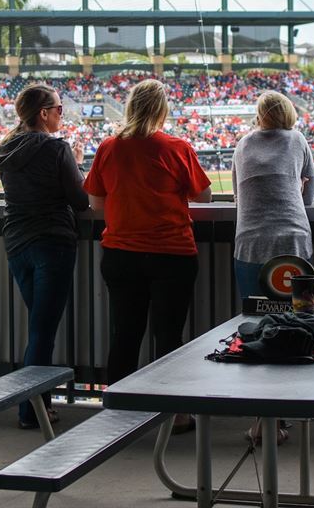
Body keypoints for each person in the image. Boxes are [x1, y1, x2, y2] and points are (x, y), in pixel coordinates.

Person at [85, 79, 211, 434]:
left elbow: (96, 201)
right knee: (168, 335)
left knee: (125, 333)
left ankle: (119, 411)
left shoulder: (109, 147)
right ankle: (175, 414)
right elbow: (204, 197)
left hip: (121, 253)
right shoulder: (176, 146)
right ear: (161, 109)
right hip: (171, 253)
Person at [0, 84, 89, 430]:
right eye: (59, 109)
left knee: (38, 327)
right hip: (52, 242)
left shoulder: (7, 148)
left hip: (17, 243)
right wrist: (77, 165)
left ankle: (36, 405)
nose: (62, 114)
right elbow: (79, 201)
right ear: (44, 114)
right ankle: (31, 409)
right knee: (42, 332)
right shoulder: (55, 148)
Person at [231, 90, 314, 445]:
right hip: (293, 242)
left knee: (255, 329)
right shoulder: (297, 140)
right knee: (297, 326)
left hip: (249, 242)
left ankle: (262, 418)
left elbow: (237, 194)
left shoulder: (242, 144)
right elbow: (309, 195)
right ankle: (284, 411)